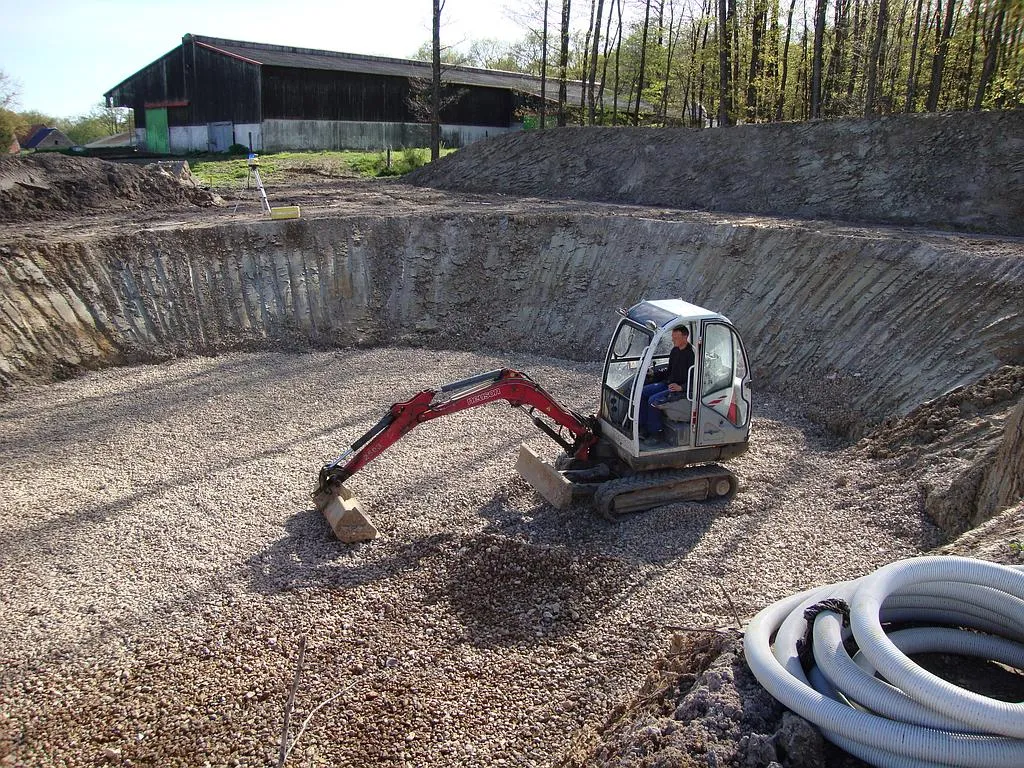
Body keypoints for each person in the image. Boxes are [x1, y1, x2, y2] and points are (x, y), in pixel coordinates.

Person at [640, 326, 694, 441]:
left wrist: (681, 387)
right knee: (643, 392)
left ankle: (656, 433)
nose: (673, 340)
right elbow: (669, 371)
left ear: (685, 337)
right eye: (672, 337)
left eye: (676, 338)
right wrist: (654, 374)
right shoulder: (675, 351)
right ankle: (642, 426)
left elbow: (695, 379)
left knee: (653, 401)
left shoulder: (692, 355)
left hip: (679, 390)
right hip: (668, 383)